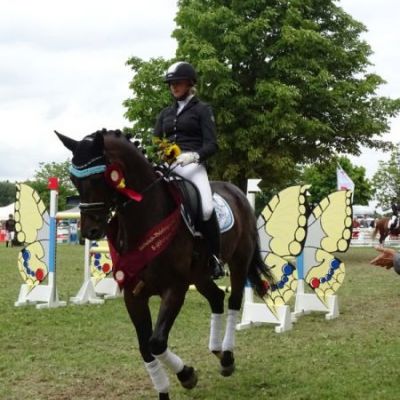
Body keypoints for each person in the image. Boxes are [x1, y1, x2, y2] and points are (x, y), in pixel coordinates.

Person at [154, 61, 225, 279]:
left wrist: (193, 156)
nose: (174, 87)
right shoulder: (165, 113)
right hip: (169, 166)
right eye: (171, 84)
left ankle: (215, 258)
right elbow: (156, 141)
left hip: (193, 166)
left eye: (178, 82)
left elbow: (212, 144)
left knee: (206, 208)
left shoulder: (203, 110)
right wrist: (163, 152)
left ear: (190, 83)